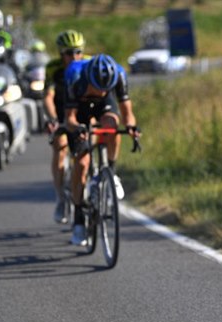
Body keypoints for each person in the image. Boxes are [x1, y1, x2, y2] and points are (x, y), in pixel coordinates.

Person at [64, 54, 140, 246]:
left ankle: (111, 172)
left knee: (112, 125)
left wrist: (131, 128)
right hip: (80, 108)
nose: (101, 91)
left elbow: (127, 114)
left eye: (105, 89)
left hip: (104, 107)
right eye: (98, 88)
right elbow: (70, 119)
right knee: (81, 164)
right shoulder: (75, 76)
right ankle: (79, 217)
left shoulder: (119, 76)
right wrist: (78, 129)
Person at [44, 30, 88, 224]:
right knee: (60, 148)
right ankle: (61, 197)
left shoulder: (88, 64)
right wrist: (53, 118)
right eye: (69, 53)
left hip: (84, 111)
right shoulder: (53, 68)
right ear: (61, 54)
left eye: (77, 52)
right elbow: (48, 96)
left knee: (89, 146)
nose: (74, 57)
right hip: (62, 111)